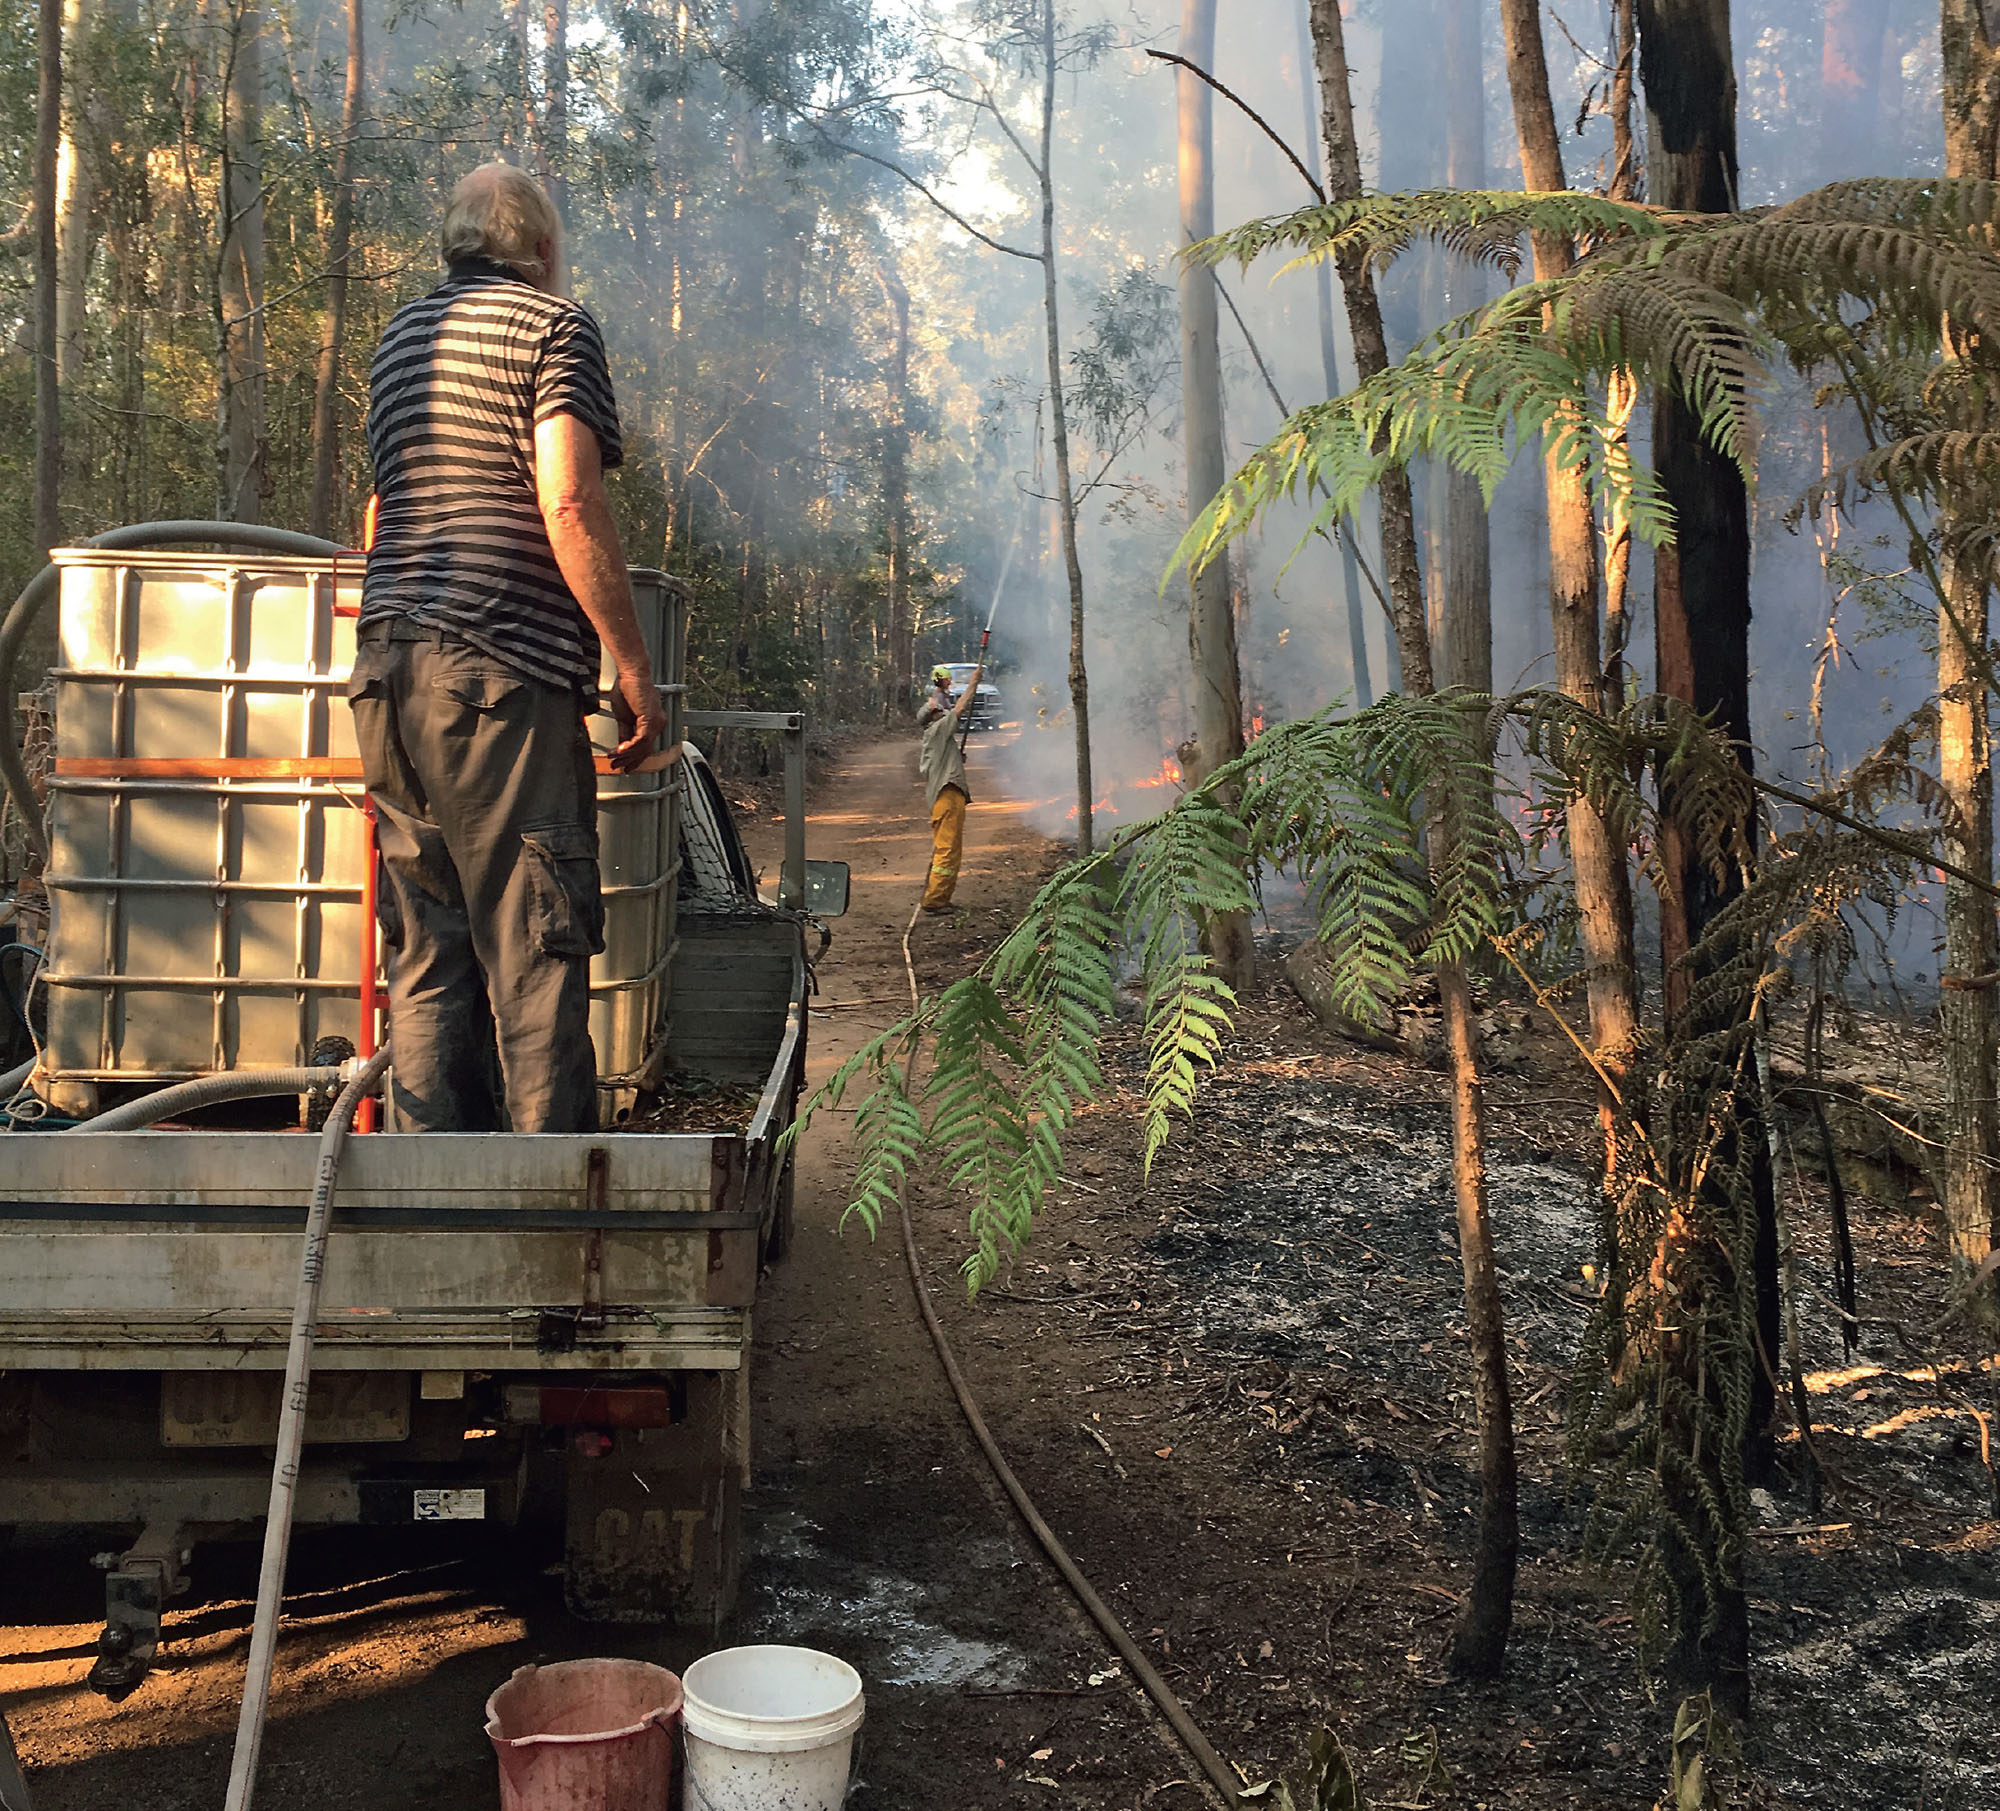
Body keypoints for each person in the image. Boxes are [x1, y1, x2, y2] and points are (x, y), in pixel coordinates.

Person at [349, 162, 666, 1133]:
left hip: (386, 676)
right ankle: (542, 1236)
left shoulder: (399, 342)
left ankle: (435, 1235)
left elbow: (378, 516)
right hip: (497, 678)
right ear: (538, 247)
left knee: (430, 953)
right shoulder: (554, 328)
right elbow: (567, 498)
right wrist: (630, 661)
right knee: (534, 949)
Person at [917, 661, 982, 913]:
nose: (943, 710)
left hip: (945, 797)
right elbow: (960, 708)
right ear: (933, 716)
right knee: (948, 851)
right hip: (947, 796)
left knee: (948, 849)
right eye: (939, 710)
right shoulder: (937, 729)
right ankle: (935, 901)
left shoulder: (938, 738)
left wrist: (957, 757)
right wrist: (974, 681)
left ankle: (939, 896)